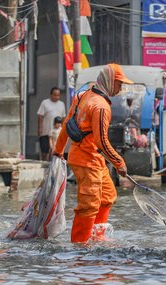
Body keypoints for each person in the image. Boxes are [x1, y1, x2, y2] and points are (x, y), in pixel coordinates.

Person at [53, 63, 131, 244]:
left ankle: (97, 237)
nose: (121, 89)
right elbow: (101, 141)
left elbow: (67, 123)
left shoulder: (82, 95)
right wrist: (119, 162)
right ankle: (79, 245)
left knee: (108, 195)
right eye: (119, 84)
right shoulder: (101, 107)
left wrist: (58, 150)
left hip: (90, 158)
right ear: (110, 82)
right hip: (86, 161)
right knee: (88, 205)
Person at [37, 87, 66, 161]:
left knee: (54, 151)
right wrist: (40, 128)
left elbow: (63, 118)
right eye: (55, 95)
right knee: (45, 151)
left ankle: (52, 166)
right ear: (51, 94)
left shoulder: (61, 104)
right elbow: (40, 116)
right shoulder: (45, 103)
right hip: (46, 131)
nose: (56, 97)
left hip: (56, 134)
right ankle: (44, 166)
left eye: (58, 95)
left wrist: (63, 130)